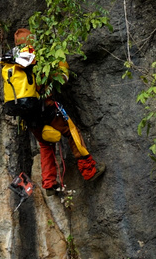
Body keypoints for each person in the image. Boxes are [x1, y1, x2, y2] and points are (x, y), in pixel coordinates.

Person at [10, 28, 105, 196]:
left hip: (29, 116)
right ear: (32, 40)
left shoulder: (11, 61)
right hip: (48, 109)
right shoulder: (37, 56)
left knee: (45, 145)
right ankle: (89, 171)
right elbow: (63, 77)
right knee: (71, 131)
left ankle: (49, 184)